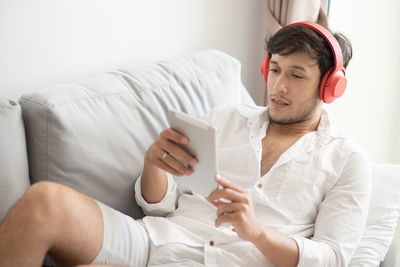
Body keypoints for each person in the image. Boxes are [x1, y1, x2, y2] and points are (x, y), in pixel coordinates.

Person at [0, 22, 371, 267]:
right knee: (45, 201)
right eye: (274, 69)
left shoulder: (346, 160)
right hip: (154, 245)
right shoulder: (224, 119)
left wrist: (256, 232)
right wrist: (154, 164)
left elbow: (333, 257)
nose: (278, 87)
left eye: (296, 75)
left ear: (330, 86)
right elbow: (160, 206)